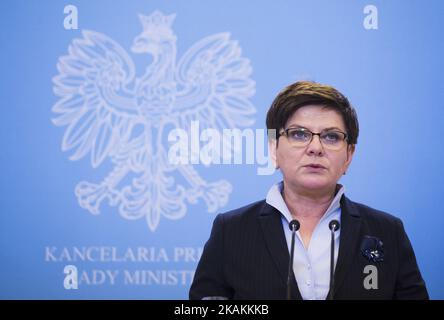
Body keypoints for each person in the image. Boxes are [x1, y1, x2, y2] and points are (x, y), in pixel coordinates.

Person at [189, 81, 428, 300]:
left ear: (349, 156)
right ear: (274, 150)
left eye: (331, 137)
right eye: (299, 134)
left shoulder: (387, 231)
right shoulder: (231, 231)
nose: (315, 147)